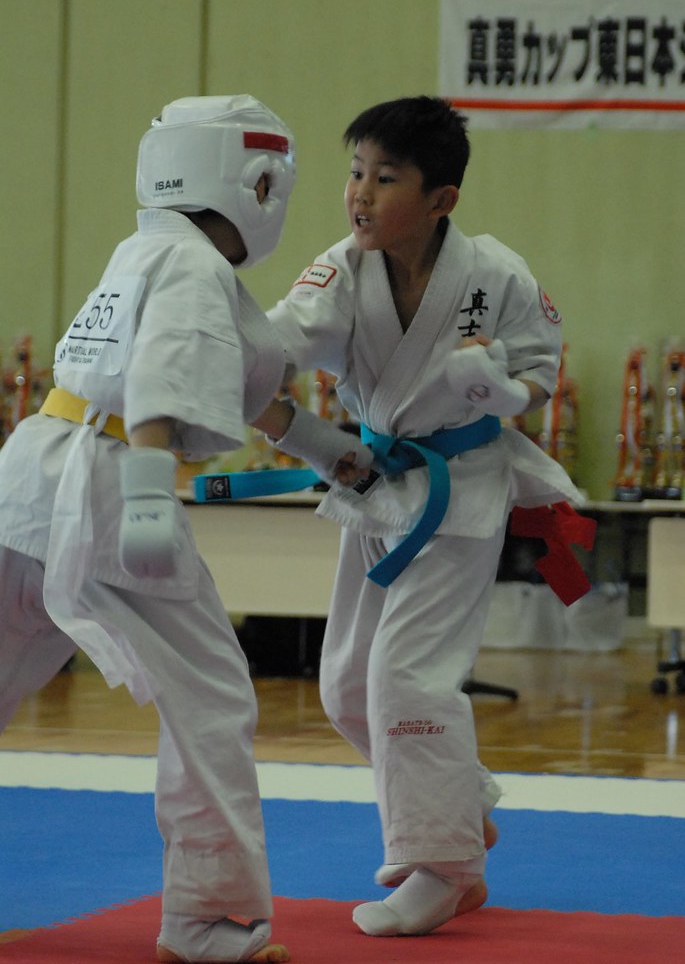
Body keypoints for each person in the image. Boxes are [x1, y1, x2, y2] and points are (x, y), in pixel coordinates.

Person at [0, 95, 371, 963]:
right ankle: (208, 920)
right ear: (259, 183)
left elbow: (243, 390)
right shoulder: (196, 269)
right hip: (105, 488)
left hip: (25, 480)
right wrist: (146, 500)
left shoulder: (147, 252)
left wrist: (330, 451)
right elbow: (163, 385)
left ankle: (209, 914)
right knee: (209, 698)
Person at [266, 95, 583, 938]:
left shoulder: (496, 274)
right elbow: (279, 343)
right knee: (345, 686)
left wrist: (503, 387)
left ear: (441, 198)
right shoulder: (341, 269)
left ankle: (443, 868)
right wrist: (222, 356)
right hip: (374, 482)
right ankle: (458, 797)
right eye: (355, 172)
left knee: (406, 676)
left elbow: (540, 375)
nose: (360, 193)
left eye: (385, 178)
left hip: (461, 488)